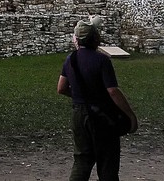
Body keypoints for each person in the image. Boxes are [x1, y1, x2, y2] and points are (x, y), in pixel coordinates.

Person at [58, 20, 138, 181]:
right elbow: (112, 91)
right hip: (102, 114)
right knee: (107, 161)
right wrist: (130, 115)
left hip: (79, 114)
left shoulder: (71, 59)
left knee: (82, 161)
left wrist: (82, 97)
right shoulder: (101, 60)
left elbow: (61, 88)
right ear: (95, 39)